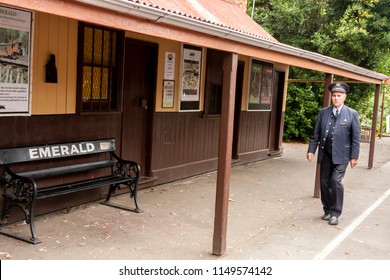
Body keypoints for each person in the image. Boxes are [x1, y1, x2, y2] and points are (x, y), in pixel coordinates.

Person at [306, 82, 360, 225]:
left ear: (344, 97)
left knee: (335, 181)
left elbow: (356, 138)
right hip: (326, 155)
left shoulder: (352, 114)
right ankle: (327, 210)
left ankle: (336, 212)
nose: (336, 98)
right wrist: (311, 150)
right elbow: (315, 134)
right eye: (334, 96)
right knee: (324, 182)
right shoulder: (323, 112)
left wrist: (354, 157)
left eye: (339, 96)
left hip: (342, 156)